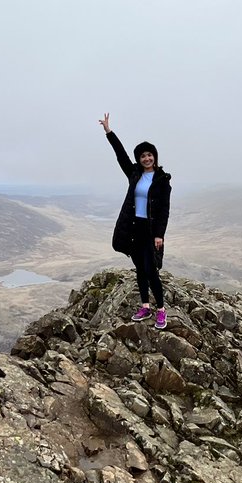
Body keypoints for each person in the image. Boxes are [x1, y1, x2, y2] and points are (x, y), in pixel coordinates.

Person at [98, 113, 171, 329]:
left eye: (149, 155)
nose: (146, 159)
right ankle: (145, 306)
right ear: (139, 159)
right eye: (142, 156)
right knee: (140, 268)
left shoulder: (162, 181)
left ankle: (161, 310)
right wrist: (109, 132)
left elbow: (164, 210)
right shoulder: (135, 174)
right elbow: (120, 155)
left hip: (150, 230)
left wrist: (160, 234)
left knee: (151, 271)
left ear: (154, 157)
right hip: (134, 228)